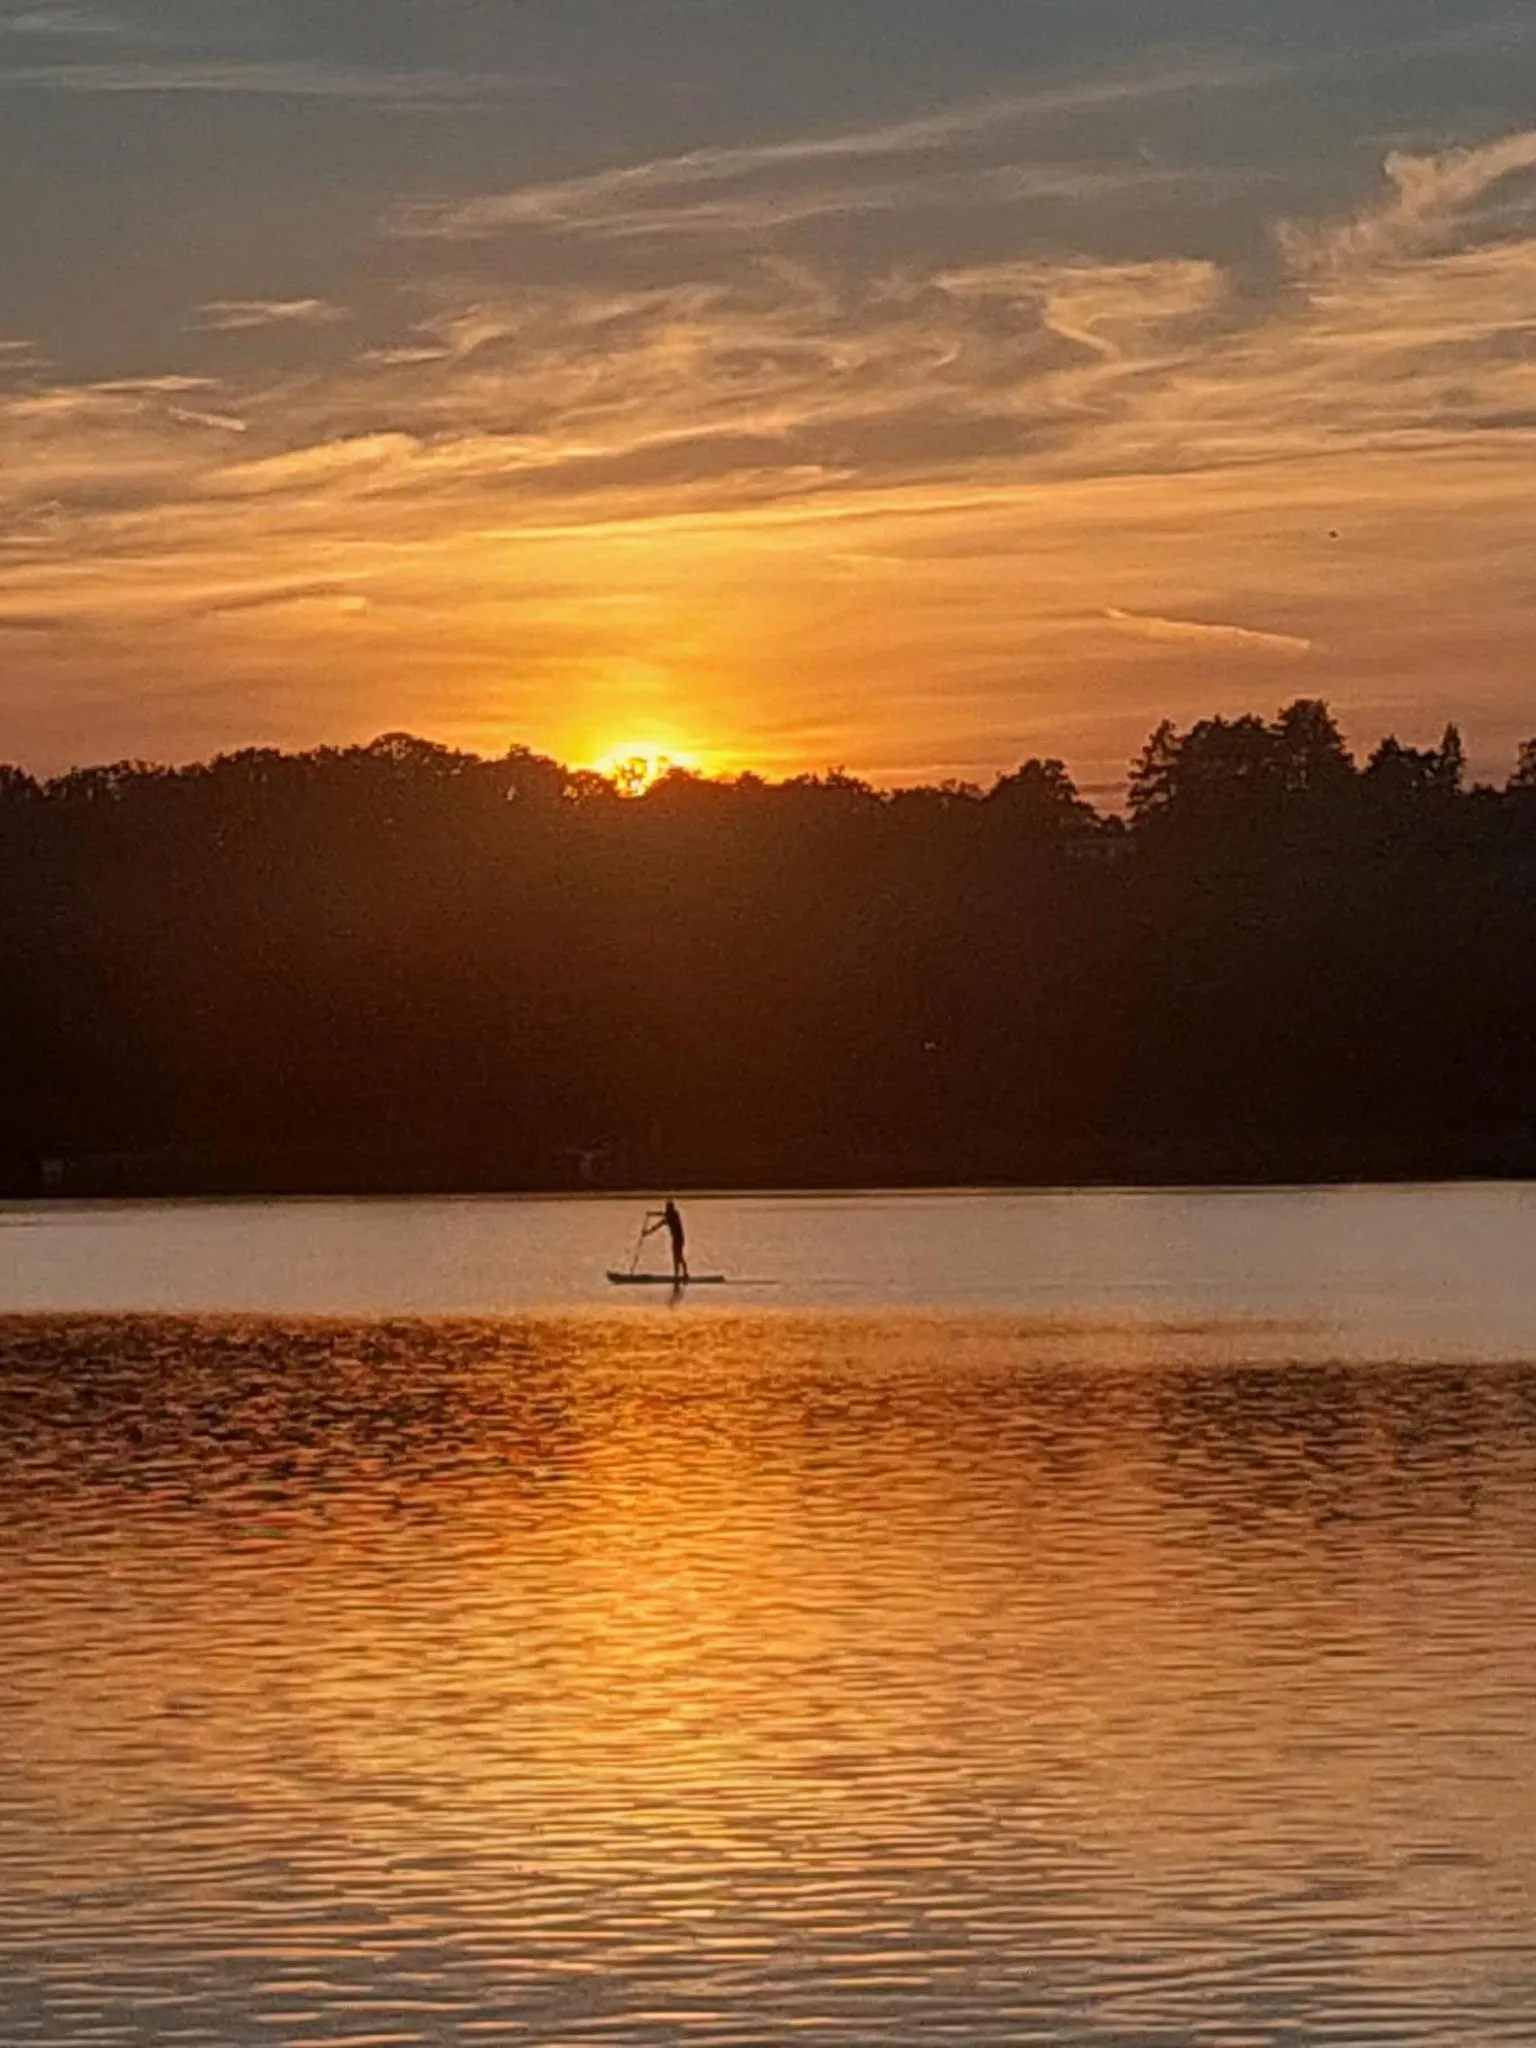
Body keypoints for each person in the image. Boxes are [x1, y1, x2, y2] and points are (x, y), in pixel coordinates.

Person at [642, 1198, 689, 1282]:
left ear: (671, 1208)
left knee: (678, 1257)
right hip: (675, 1238)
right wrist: (647, 1232)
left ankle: (685, 1274)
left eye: (668, 1207)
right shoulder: (668, 1217)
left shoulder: (675, 1215)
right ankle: (676, 1276)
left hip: (679, 1238)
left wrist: (652, 1214)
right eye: (667, 1208)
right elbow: (658, 1225)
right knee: (675, 1257)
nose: (666, 1209)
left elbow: (664, 1216)